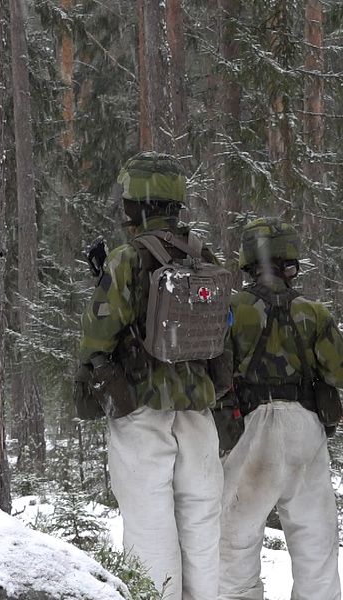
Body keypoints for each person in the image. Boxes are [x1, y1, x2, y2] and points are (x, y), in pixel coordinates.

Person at [76, 151, 225, 599]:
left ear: (136, 204)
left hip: (141, 410)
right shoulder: (204, 256)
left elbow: (96, 337)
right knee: (201, 525)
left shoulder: (126, 258)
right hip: (197, 412)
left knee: (149, 528)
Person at [219, 217, 343, 600]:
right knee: (315, 542)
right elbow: (337, 370)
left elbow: (214, 370)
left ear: (249, 261)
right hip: (305, 426)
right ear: (290, 261)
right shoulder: (314, 313)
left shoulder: (232, 309)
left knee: (235, 541)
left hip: (250, 426)